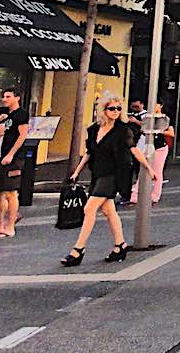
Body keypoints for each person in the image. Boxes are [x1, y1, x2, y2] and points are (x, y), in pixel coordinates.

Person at [62, 95, 157, 266]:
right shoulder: (93, 130)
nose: (116, 112)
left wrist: (149, 168)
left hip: (114, 174)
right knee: (109, 211)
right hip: (98, 173)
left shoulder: (123, 130)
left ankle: (78, 250)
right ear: (104, 110)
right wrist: (76, 171)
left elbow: (133, 149)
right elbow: (89, 153)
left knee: (89, 208)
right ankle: (120, 245)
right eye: (112, 108)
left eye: (118, 109)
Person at [0, 89, 29, 238]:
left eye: (8, 97)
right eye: (4, 96)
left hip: (14, 159)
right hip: (3, 156)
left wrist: (11, 154)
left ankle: (10, 227)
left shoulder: (21, 115)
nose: (5, 99)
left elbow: (22, 135)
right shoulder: (9, 116)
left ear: (17, 98)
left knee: (11, 192)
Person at [132, 103, 174, 203]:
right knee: (143, 169)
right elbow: (143, 129)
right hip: (147, 145)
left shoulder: (165, 118)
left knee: (157, 171)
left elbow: (171, 133)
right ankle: (135, 194)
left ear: (160, 106)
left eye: (155, 105)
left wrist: (158, 131)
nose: (152, 107)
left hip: (160, 147)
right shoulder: (148, 117)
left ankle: (155, 195)